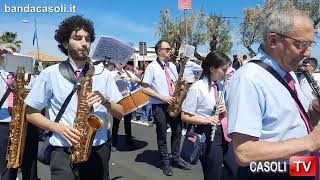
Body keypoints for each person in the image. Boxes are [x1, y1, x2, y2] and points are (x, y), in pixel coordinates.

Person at [24, 15, 124, 180]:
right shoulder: (50, 73)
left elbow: (120, 112)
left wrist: (105, 101)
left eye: (88, 39)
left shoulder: (103, 74)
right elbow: (30, 113)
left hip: (98, 150)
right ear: (65, 43)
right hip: (62, 151)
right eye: (77, 38)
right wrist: (59, 128)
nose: (85, 43)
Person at [226, 8, 320, 180]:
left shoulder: (288, 70)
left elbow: (289, 122)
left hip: (298, 166)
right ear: (273, 40)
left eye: (310, 45)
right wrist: (311, 142)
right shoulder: (248, 79)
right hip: (273, 172)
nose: (308, 54)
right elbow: (244, 153)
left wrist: (314, 110)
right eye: (300, 44)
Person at [181, 51, 238, 180]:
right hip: (207, 136)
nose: (226, 72)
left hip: (224, 133)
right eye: (224, 69)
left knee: (236, 170)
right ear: (212, 69)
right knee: (213, 175)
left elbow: (226, 110)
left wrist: (226, 110)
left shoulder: (221, 85)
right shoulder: (198, 87)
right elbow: (184, 116)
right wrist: (206, 120)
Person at [142, 40, 190, 176]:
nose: (170, 51)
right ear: (159, 51)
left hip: (173, 104)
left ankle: (176, 158)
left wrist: (180, 86)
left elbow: (174, 83)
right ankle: (165, 162)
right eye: (167, 49)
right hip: (159, 105)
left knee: (177, 131)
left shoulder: (172, 66)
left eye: (170, 49)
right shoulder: (151, 67)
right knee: (162, 134)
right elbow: (144, 88)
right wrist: (163, 97)